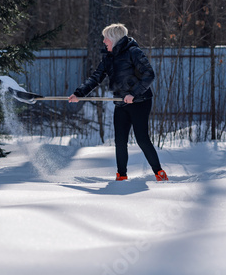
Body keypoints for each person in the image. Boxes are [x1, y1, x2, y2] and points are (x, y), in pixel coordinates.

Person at [68, 23, 168, 181]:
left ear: (114, 39)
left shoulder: (133, 52)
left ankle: (159, 173)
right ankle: (121, 175)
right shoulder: (108, 57)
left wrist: (133, 94)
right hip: (121, 103)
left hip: (140, 102)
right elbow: (96, 78)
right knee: (120, 140)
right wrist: (79, 93)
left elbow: (149, 74)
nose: (104, 41)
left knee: (142, 138)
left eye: (106, 38)